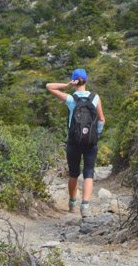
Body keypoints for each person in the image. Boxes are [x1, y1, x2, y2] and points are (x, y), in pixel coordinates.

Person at [46, 68, 106, 216]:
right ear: (86, 80)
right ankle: (84, 206)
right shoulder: (95, 97)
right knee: (89, 173)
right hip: (90, 142)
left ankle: (72, 203)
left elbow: (49, 86)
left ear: (74, 80)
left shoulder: (71, 99)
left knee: (73, 173)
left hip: (74, 141)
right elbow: (102, 119)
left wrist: (67, 86)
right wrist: (95, 135)